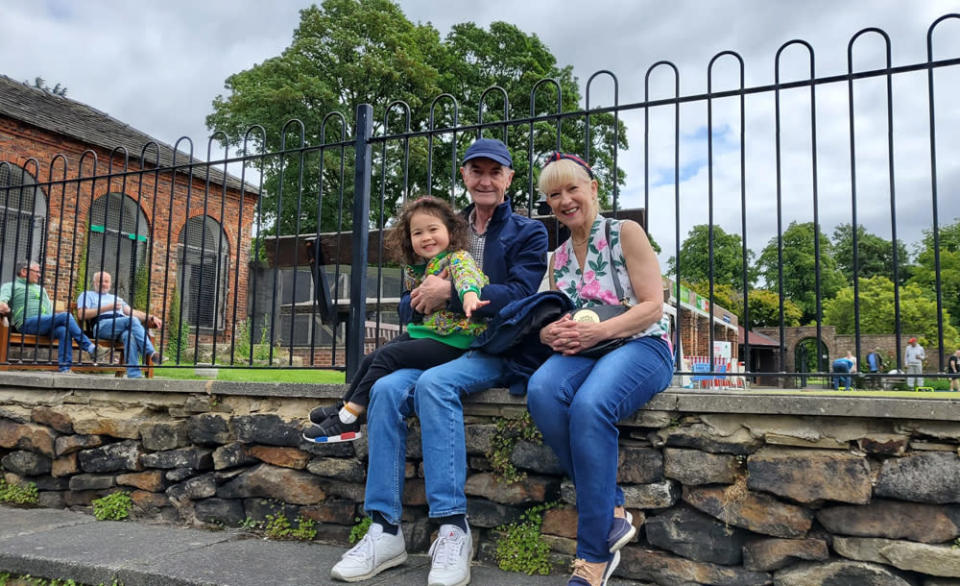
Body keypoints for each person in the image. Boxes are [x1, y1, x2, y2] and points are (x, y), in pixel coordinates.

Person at [329, 138, 548, 585]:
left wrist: (451, 294)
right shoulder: (442, 227)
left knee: (434, 385)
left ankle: (452, 526)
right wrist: (425, 297)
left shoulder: (529, 232)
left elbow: (524, 297)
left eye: (495, 172)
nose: (485, 180)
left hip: (493, 347)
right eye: (476, 171)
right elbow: (409, 306)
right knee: (388, 389)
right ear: (465, 177)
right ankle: (385, 529)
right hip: (437, 345)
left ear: (508, 178)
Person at [524, 153, 673, 586]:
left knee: (590, 405)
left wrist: (599, 331)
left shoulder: (626, 233)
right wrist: (548, 335)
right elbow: (545, 316)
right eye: (554, 194)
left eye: (573, 188)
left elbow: (651, 306)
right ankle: (611, 507)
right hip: (586, 350)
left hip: (643, 345)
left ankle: (593, 556)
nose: (566, 200)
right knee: (542, 390)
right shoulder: (556, 258)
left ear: (593, 189)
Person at [303, 196, 489, 443]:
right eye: (418, 233)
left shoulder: (457, 257)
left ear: (450, 232)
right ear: (409, 239)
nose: (426, 237)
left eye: (433, 229)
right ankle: (344, 405)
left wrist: (468, 297)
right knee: (372, 358)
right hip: (428, 333)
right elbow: (411, 304)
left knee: (386, 357)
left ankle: (349, 419)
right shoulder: (415, 269)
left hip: (454, 339)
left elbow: (468, 278)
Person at [0, 260, 98, 372]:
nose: (39, 275)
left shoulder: (41, 289)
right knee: (65, 316)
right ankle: (90, 347)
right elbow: (2, 302)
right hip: (26, 323)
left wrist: (53, 319)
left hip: (45, 324)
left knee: (64, 331)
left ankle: (65, 369)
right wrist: (4, 306)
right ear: (24, 271)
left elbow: (50, 310)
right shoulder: (10, 286)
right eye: (36, 271)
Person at [76, 271, 162, 379]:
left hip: (121, 325)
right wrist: (107, 308)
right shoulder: (87, 295)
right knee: (132, 320)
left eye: (106, 281)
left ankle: (134, 375)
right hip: (102, 326)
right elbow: (81, 314)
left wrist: (152, 317)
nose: (103, 284)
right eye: (100, 281)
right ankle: (151, 352)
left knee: (129, 335)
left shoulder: (116, 298)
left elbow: (133, 312)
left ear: (110, 284)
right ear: (94, 283)